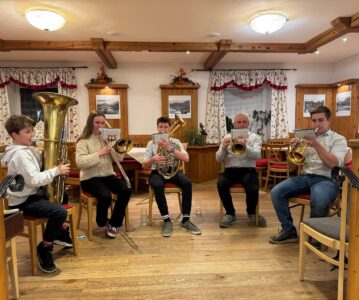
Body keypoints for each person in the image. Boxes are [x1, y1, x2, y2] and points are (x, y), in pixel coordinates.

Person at [2, 115, 72, 273]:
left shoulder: (25, 151)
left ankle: (59, 232)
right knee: (59, 211)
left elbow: (33, 174)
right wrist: (56, 170)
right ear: (15, 135)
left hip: (29, 195)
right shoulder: (20, 155)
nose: (32, 134)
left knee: (63, 196)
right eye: (27, 132)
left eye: (31, 131)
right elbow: (33, 179)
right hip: (22, 202)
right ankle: (45, 247)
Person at [270, 106, 347, 244]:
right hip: (305, 176)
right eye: (314, 121)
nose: (317, 124)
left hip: (327, 179)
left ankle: (316, 237)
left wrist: (317, 145)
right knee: (276, 192)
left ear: (329, 120)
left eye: (321, 120)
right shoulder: (305, 138)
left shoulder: (339, 139)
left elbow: (334, 164)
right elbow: (292, 166)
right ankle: (289, 231)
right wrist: (292, 149)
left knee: (319, 200)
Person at [142, 116, 201, 237]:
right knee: (157, 185)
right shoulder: (151, 142)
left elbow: (186, 158)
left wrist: (170, 148)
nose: (163, 129)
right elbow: (144, 164)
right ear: (157, 127)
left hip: (174, 172)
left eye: (166, 127)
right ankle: (166, 220)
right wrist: (153, 159)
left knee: (187, 183)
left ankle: (186, 219)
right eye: (160, 127)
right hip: (157, 172)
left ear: (169, 129)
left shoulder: (176, 142)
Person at [76, 111, 131, 239]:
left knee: (126, 190)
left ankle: (113, 223)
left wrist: (114, 148)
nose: (100, 125)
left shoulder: (108, 138)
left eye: (102, 123)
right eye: (97, 123)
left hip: (107, 175)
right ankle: (101, 221)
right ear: (91, 123)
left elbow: (120, 159)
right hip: (90, 178)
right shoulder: (83, 141)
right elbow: (80, 162)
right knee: (105, 195)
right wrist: (100, 153)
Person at [216, 112, 266, 228]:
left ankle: (251, 212)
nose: (242, 124)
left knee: (253, 188)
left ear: (248, 124)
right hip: (230, 170)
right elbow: (218, 158)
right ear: (234, 124)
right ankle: (230, 213)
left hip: (248, 170)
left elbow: (258, 156)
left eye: (244, 122)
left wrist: (245, 146)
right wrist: (223, 147)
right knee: (221, 183)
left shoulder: (255, 138)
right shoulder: (227, 137)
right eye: (239, 122)